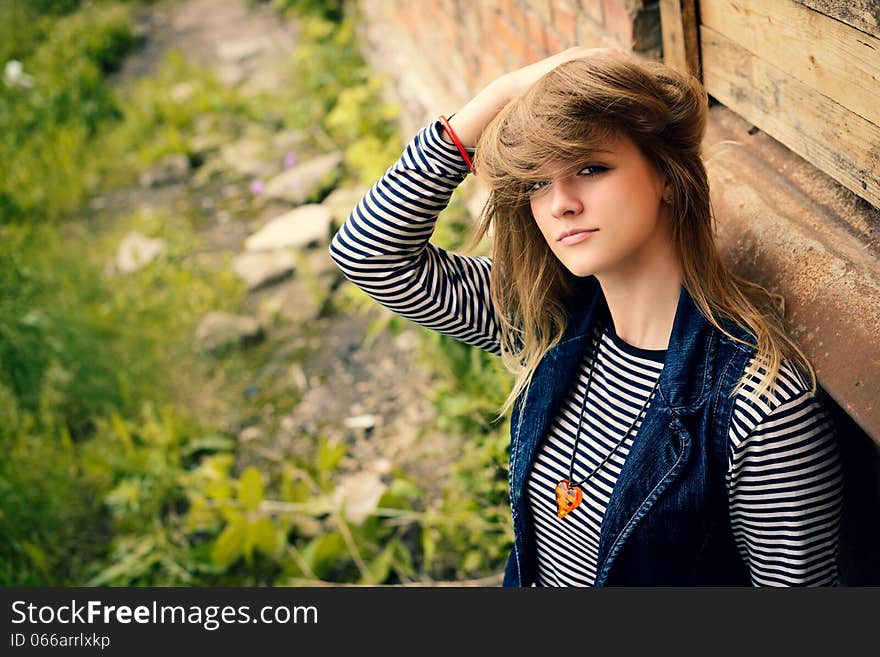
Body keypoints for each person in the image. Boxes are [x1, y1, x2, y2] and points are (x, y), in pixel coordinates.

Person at [328, 47, 843, 586]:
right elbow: (370, 254)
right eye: (537, 183)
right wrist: (502, 92)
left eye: (590, 168)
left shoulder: (757, 402)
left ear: (666, 175)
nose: (561, 204)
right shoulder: (549, 321)